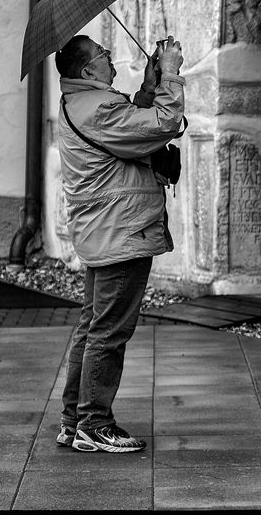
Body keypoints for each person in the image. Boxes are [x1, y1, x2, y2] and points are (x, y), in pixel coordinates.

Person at [53, 34, 185, 453]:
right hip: (121, 230)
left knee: (93, 327)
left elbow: (130, 126)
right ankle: (94, 422)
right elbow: (162, 124)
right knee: (109, 332)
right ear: (88, 70)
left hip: (105, 229)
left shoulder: (83, 103)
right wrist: (169, 75)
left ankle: (74, 421)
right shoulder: (99, 107)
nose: (111, 59)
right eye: (103, 55)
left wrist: (146, 88)